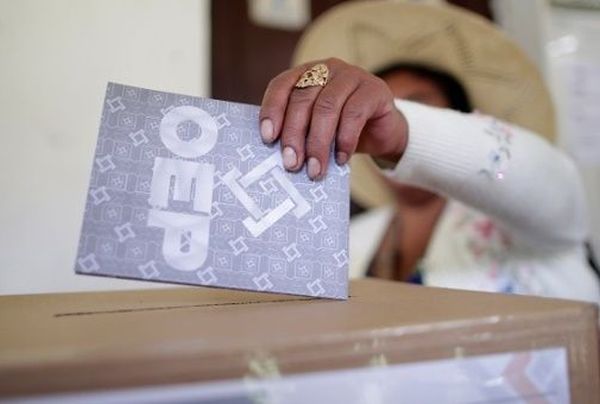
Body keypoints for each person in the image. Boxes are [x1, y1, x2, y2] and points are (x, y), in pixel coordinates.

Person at [259, 1, 600, 303]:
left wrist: (403, 129)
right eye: (371, 111)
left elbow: (554, 185)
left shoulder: (520, 225)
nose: (379, 121)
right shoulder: (348, 238)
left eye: (415, 107)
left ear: (460, 120)